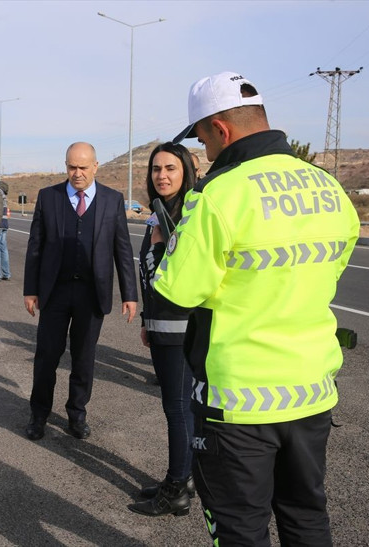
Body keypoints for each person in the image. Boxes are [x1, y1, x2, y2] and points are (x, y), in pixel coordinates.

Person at [149, 72, 359, 545]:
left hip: (239, 402)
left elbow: (176, 292)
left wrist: (169, 246)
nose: (203, 151)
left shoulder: (219, 194)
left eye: (202, 138)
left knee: (240, 529)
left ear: (221, 130)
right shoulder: (327, 187)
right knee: (307, 517)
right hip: (312, 393)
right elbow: (332, 272)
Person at [23, 142, 138, 441]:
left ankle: (77, 414)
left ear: (96, 167)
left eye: (83, 168)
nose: (77, 173)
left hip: (91, 295)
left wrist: (130, 294)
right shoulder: (49, 198)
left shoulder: (113, 201)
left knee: (84, 358)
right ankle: (38, 415)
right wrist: (30, 289)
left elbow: (123, 250)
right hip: (55, 293)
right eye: (71, 167)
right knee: (47, 356)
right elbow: (35, 246)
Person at [128, 142, 197, 518]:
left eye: (171, 168)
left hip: (180, 329)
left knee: (179, 409)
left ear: (186, 171)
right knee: (177, 408)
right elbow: (147, 277)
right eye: (156, 169)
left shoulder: (188, 214)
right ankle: (181, 478)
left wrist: (157, 244)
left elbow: (169, 275)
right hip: (160, 326)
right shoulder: (160, 213)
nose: (162, 175)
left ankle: (178, 487)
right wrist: (145, 321)